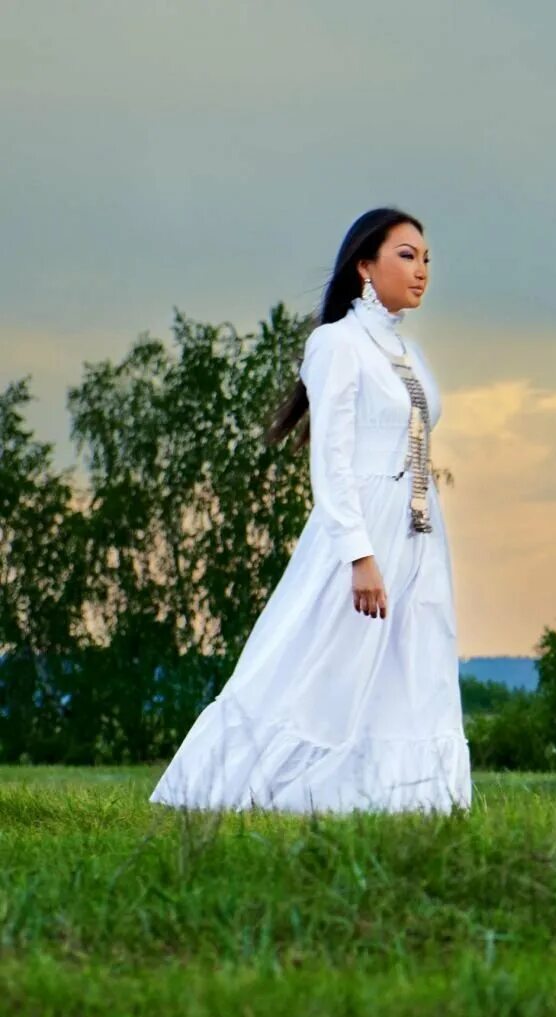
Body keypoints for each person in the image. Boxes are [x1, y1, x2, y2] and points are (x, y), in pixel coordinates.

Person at [149, 208, 472, 813]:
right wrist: (359, 553)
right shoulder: (337, 344)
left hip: (419, 531)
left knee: (409, 662)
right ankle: (237, 786)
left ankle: (403, 798)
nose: (422, 269)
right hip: (362, 529)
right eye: (406, 255)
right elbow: (331, 459)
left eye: (427, 258)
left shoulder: (407, 354)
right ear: (364, 266)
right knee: (319, 658)